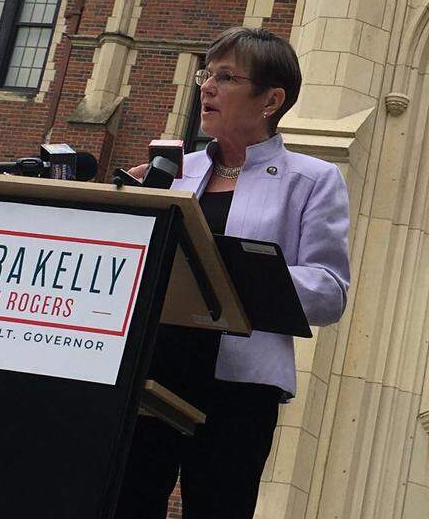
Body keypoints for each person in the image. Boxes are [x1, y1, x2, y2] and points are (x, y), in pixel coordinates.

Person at [116, 27, 350, 519]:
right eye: (207, 74)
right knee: (125, 502)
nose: (207, 86)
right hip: (153, 370)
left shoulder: (312, 180)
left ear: (271, 98)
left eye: (226, 77)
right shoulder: (172, 170)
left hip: (239, 386)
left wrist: (240, 274)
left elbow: (330, 291)